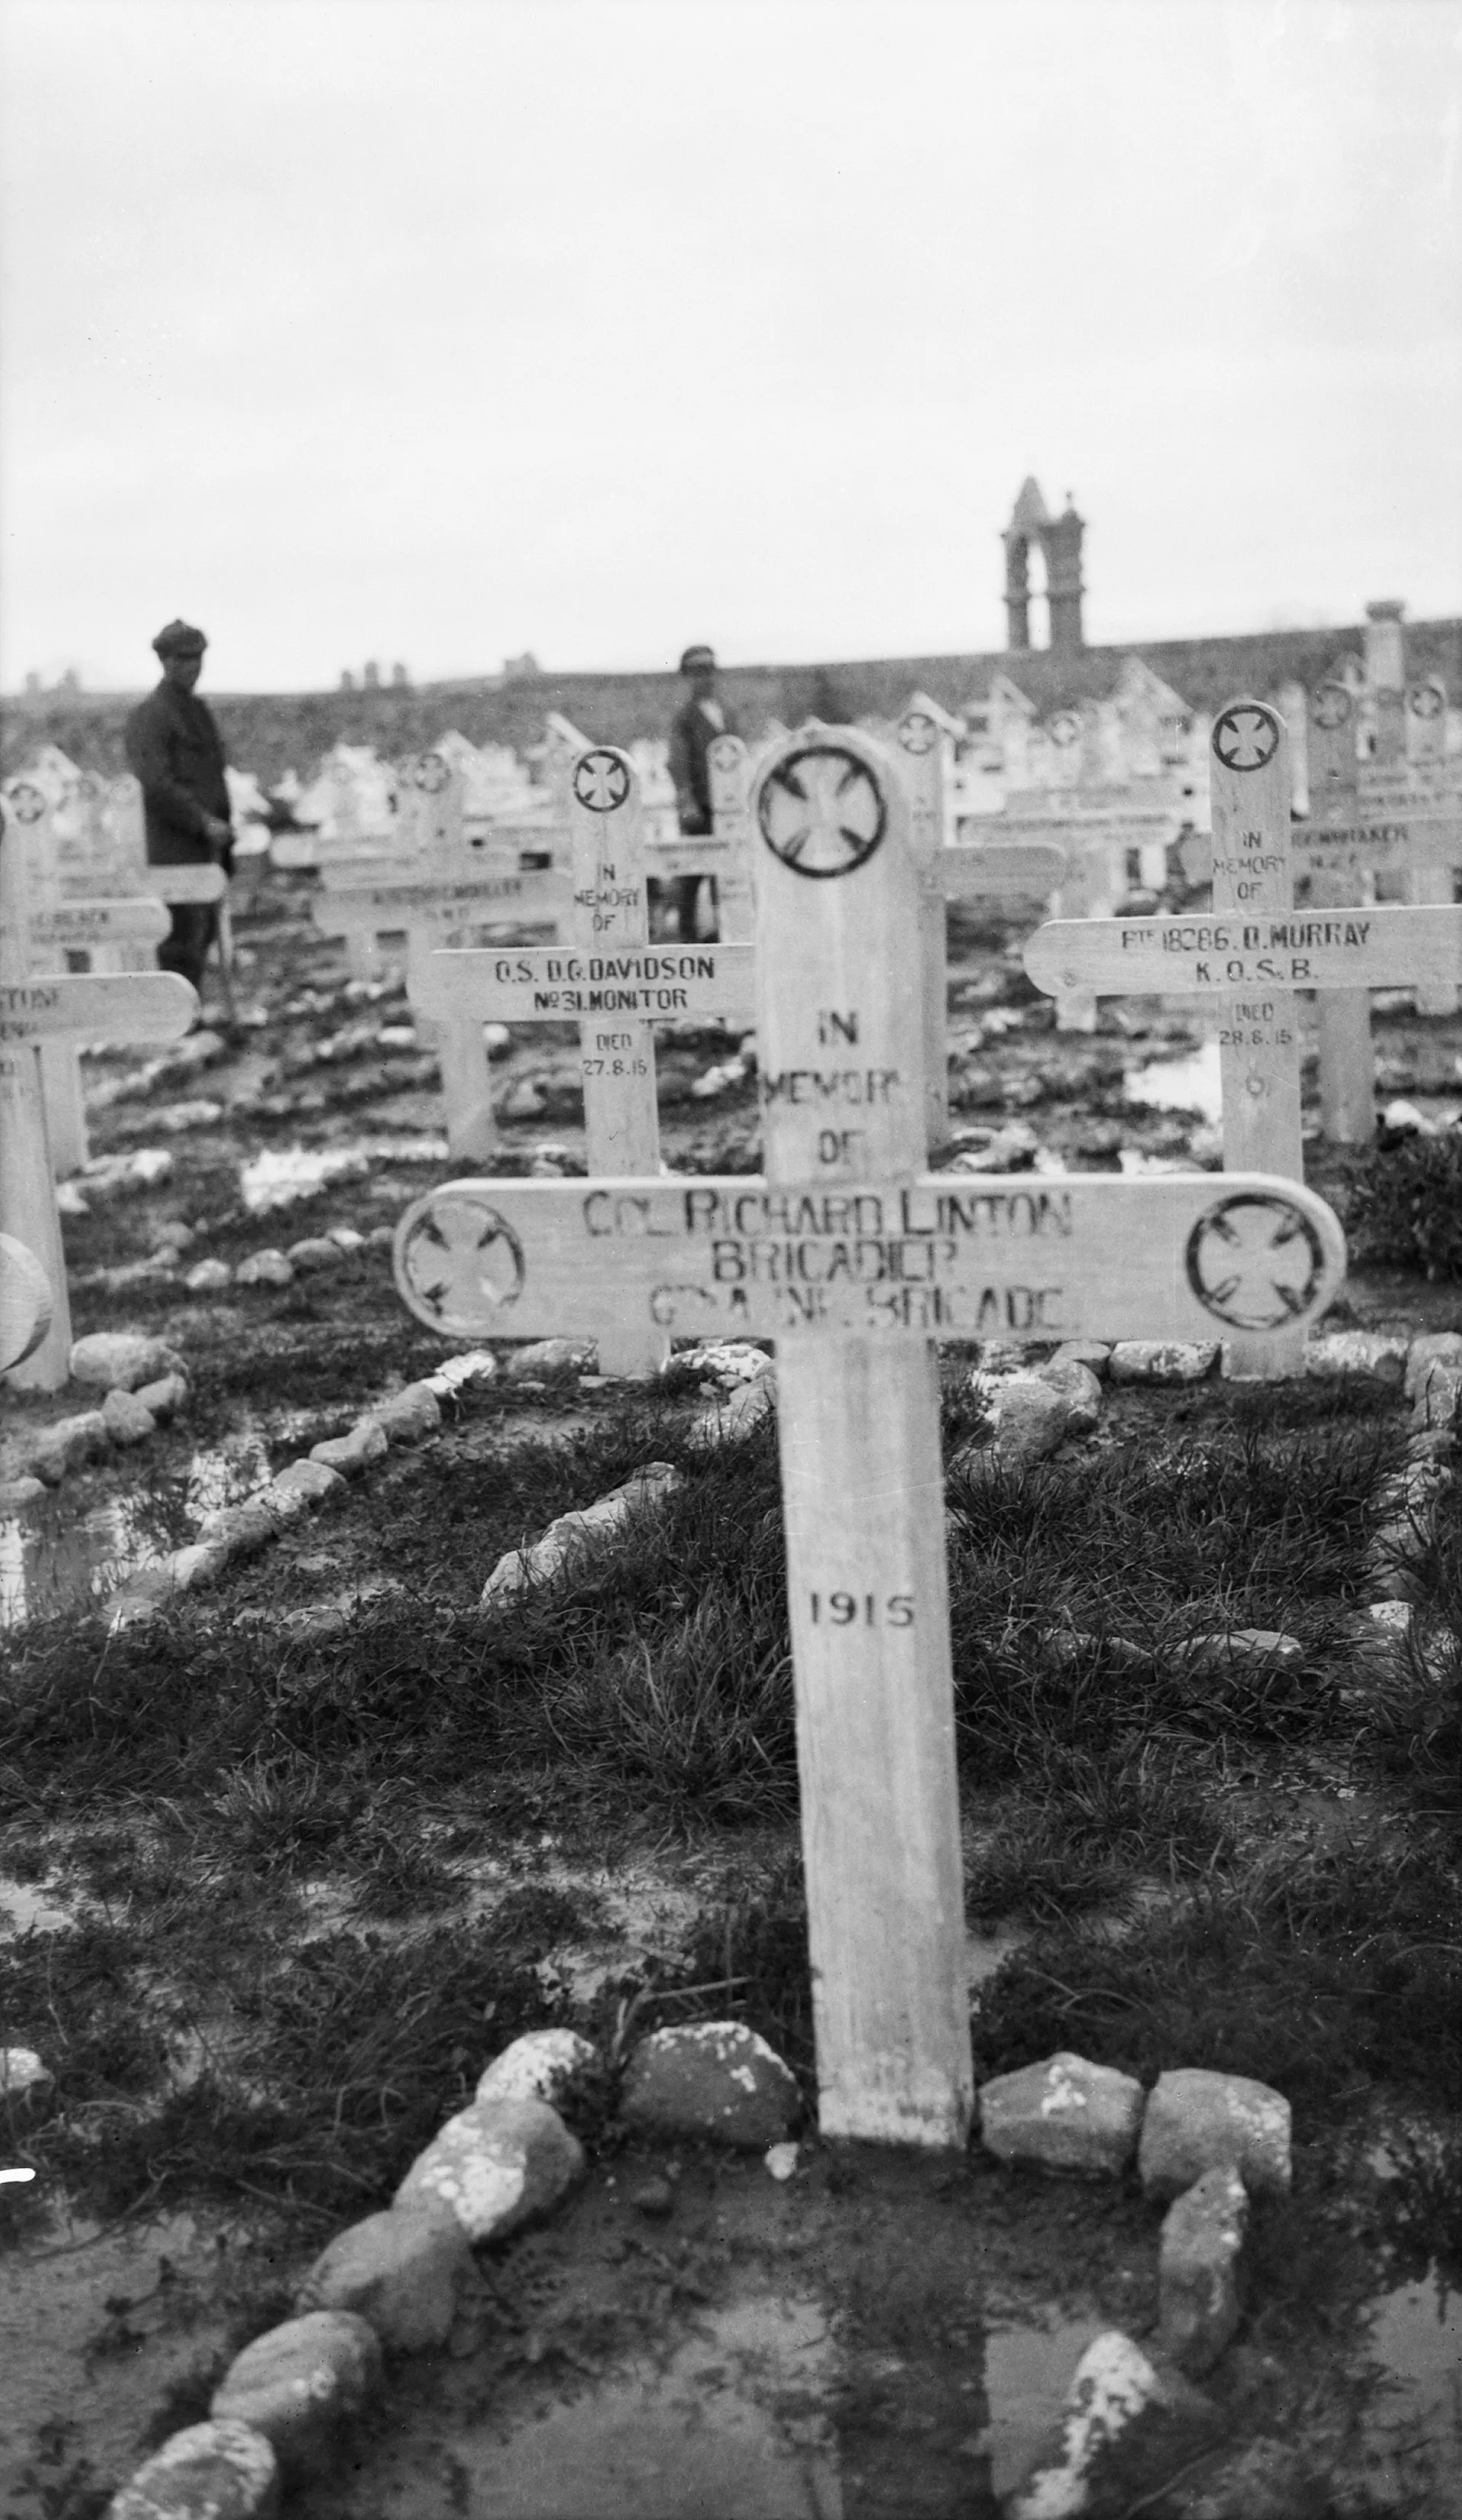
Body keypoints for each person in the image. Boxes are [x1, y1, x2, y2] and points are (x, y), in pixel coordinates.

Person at [124, 620, 234, 992]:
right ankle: (180, 1018)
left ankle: (193, 1013)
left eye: (197, 657)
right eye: (182, 658)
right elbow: (156, 784)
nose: (192, 666)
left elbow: (211, 777)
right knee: (179, 943)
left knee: (202, 937)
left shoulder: (197, 710)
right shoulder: (151, 715)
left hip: (208, 849)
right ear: (165, 661)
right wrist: (202, 822)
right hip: (174, 851)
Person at [666, 642, 739, 940]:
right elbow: (677, 761)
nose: (704, 678)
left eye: (708, 671)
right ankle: (687, 936)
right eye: (697, 673)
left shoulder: (727, 713)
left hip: (727, 807)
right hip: (699, 808)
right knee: (692, 872)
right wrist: (687, 801)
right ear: (687, 677)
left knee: (725, 874)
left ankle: (726, 933)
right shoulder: (685, 718)